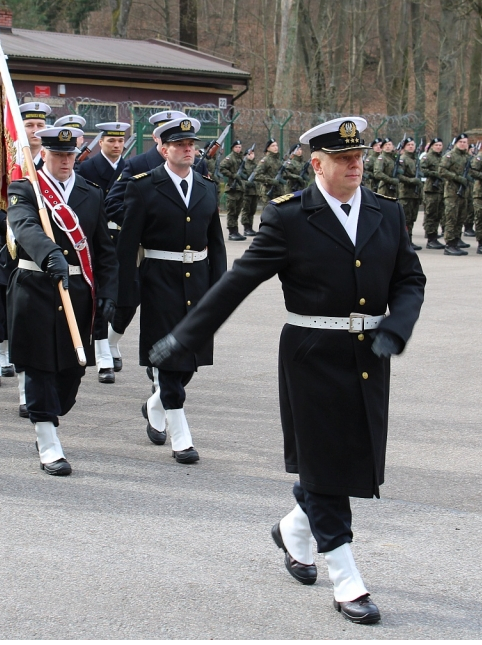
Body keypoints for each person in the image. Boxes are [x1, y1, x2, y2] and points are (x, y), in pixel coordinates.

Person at [149, 116, 425, 625]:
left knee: (349, 461)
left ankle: (295, 530)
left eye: (359, 157)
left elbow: (410, 279)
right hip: (311, 357)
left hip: (369, 357)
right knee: (323, 467)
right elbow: (237, 282)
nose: (356, 166)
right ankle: (346, 579)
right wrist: (183, 335)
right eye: (344, 160)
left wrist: (397, 327)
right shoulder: (291, 217)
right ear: (317, 164)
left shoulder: (387, 213)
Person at [6, 126, 118, 475]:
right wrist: (48, 253)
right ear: (44, 155)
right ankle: (47, 439)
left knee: (71, 372)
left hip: (79, 291)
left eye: (70, 155)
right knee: (40, 367)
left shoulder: (91, 192)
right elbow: (23, 225)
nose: (65, 161)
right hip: (36, 287)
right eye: (58, 155)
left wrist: (111, 292)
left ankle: (50, 417)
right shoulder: (26, 189)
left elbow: (103, 250)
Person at [114, 117, 227, 463]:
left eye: (191, 144)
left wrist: (221, 289)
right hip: (159, 278)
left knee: (189, 362)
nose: (188, 149)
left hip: (199, 279)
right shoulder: (144, 186)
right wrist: (127, 290)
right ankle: (182, 437)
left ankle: (154, 404)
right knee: (167, 358)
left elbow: (217, 244)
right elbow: (127, 244)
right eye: (179, 145)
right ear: (163, 149)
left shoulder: (207, 187)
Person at [0, 102, 53, 391]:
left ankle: (15, 357)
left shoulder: (52, 163)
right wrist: (9, 222)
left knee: (25, 310)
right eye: (29, 125)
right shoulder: (3, 164)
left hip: (36, 252)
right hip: (0, 249)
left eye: (41, 125)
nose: (36, 131)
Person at [103, 110, 185, 372]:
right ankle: (111, 342)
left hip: (174, 255)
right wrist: (140, 225)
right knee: (127, 304)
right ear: (157, 137)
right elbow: (113, 202)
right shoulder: (138, 164)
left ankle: (160, 363)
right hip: (140, 248)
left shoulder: (193, 164)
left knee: (171, 308)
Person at [77, 121, 131, 383]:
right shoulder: (88, 168)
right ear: (101, 143)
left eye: (120, 141)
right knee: (98, 296)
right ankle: (103, 357)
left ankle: (112, 341)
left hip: (123, 238)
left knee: (128, 298)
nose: (117, 145)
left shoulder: (127, 167)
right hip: (96, 236)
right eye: (111, 141)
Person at [440, 134, 472, 256]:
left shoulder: (467, 156)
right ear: (456, 143)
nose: (463, 144)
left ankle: (456, 241)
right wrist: (458, 178)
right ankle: (449, 244)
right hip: (452, 192)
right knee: (451, 218)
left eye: (465, 142)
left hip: (464, 192)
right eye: (461, 142)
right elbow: (442, 170)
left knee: (460, 218)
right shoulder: (450, 155)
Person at [218, 139, 256, 240]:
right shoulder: (230, 158)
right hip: (232, 188)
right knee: (232, 211)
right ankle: (231, 232)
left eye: (240, 147)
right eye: (236, 147)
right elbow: (222, 167)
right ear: (233, 148)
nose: (238, 149)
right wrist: (233, 175)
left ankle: (236, 231)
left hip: (240, 188)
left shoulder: (240, 159)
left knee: (237, 210)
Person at [396, 138, 422, 250]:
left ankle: (409, 240)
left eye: (413, 144)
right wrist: (412, 181)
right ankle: (405, 242)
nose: (411, 146)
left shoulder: (416, 159)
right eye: (409, 145)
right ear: (405, 146)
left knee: (412, 218)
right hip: (405, 193)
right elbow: (399, 175)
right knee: (405, 218)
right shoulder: (403, 159)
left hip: (415, 194)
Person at [420, 138, 446, 249]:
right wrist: (436, 174)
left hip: (440, 189)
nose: (439, 147)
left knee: (438, 214)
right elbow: (423, 170)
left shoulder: (442, 157)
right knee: (431, 214)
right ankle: (430, 238)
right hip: (431, 189)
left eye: (440, 145)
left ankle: (434, 236)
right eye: (436, 145)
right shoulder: (427, 157)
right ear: (431, 146)